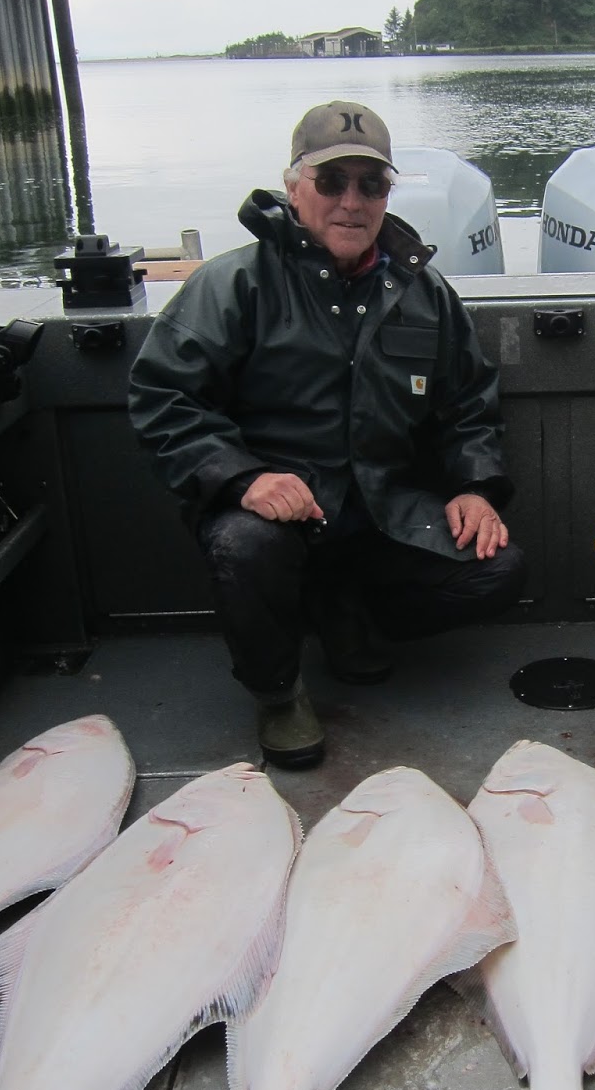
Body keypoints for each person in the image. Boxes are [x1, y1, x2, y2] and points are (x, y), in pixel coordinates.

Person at [129, 101, 525, 766]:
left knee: (500, 570)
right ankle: (279, 693)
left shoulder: (424, 294)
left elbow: (468, 404)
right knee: (243, 547)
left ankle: (344, 610)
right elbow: (164, 397)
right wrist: (242, 477)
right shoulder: (234, 284)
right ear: (293, 189)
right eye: (331, 181)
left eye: (371, 185)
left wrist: (475, 486)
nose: (352, 201)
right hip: (279, 516)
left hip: (380, 515)